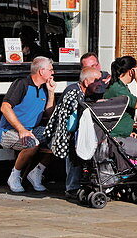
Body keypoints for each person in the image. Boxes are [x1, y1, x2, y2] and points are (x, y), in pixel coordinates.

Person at [0, 56, 56, 193]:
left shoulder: (44, 88)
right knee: (32, 143)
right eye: (51, 70)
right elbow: (5, 107)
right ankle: (14, 175)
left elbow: (49, 114)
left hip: (33, 129)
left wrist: (51, 92)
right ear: (42, 71)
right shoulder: (22, 84)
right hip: (9, 131)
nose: (53, 73)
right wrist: (21, 130)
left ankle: (36, 173)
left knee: (59, 140)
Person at [43, 66, 101, 196]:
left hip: (75, 131)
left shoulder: (85, 92)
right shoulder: (73, 92)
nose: (99, 83)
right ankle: (72, 187)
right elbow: (67, 123)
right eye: (96, 80)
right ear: (86, 82)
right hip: (62, 135)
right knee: (76, 145)